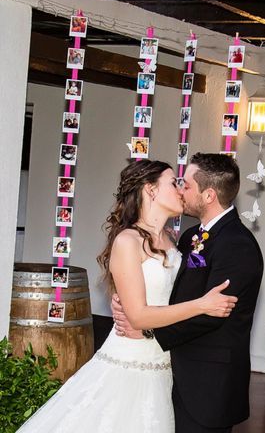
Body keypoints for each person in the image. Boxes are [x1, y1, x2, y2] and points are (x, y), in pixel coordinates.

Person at [17, 160, 238, 432]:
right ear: (151, 190)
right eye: (173, 182)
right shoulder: (128, 241)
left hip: (164, 360)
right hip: (129, 359)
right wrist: (202, 305)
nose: (181, 189)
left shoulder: (177, 240)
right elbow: (138, 315)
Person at [112, 154, 263, 432]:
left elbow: (212, 314)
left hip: (208, 381)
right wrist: (128, 298)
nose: (181, 190)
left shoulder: (237, 244)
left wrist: (149, 334)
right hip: (174, 370)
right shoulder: (188, 237)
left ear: (208, 195)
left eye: (187, 185)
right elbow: (176, 289)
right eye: (177, 183)